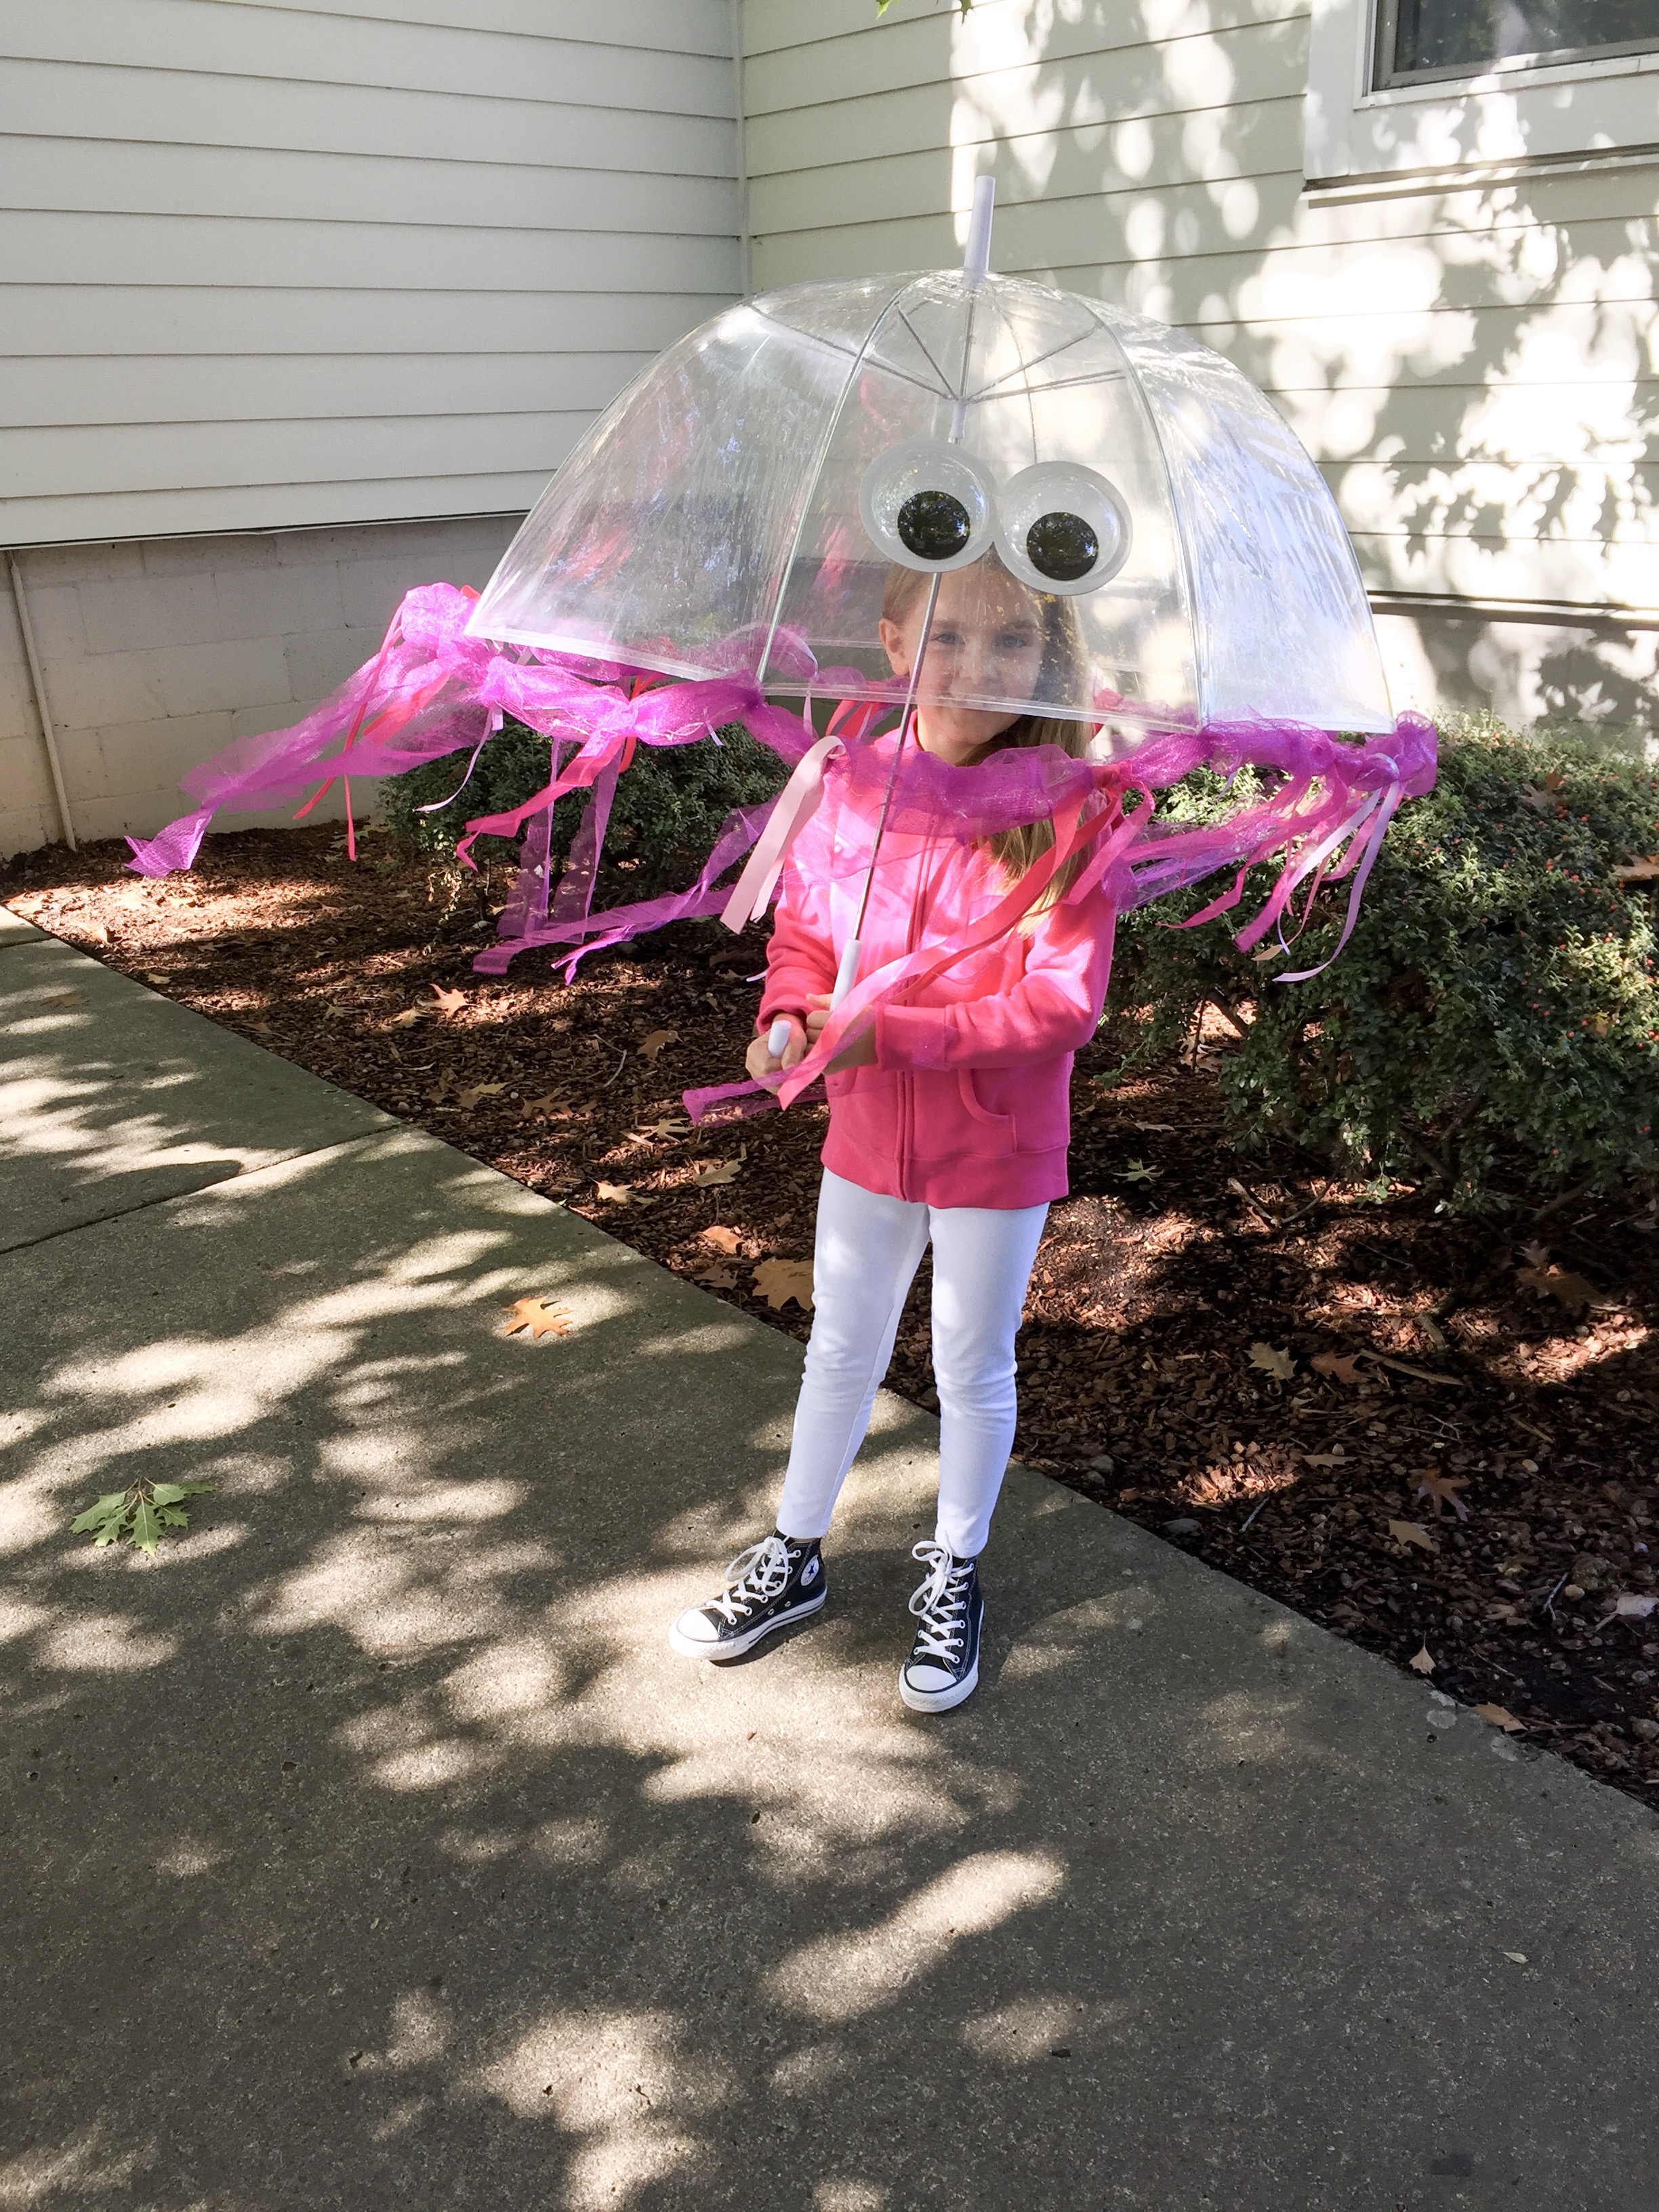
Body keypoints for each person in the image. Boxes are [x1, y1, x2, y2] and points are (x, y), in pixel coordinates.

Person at [668, 552, 1116, 1711]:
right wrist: (786, 1014)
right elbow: (807, 941)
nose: (976, 665)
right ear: (892, 638)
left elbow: (1064, 1002)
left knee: (972, 1365)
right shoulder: (853, 788)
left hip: (997, 1151)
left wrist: (889, 1035)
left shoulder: (1069, 810)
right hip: (865, 1139)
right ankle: (794, 1552)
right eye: (948, 635)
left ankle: (955, 1569)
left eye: (1012, 642)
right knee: (840, 1349)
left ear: (1047, 662)